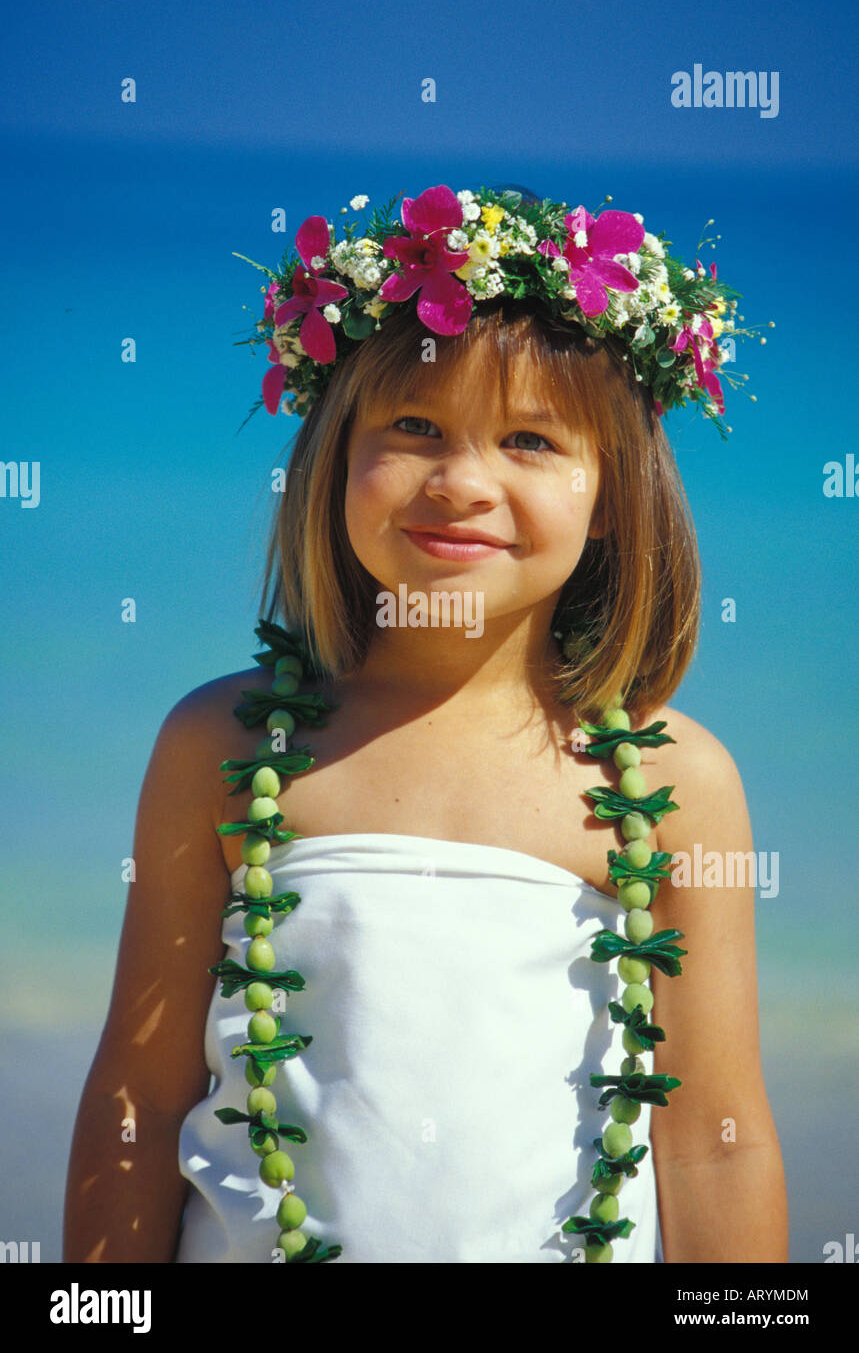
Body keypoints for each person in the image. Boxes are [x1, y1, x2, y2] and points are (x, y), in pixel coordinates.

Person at [63, 183, 788, 1264]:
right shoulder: (226, 743)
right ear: (330, 453)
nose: (461, 483)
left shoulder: (667, 780)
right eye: (412, 426)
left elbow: (714, 1148)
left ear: (615, 494)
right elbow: (137, 1092)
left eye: (532, 440)